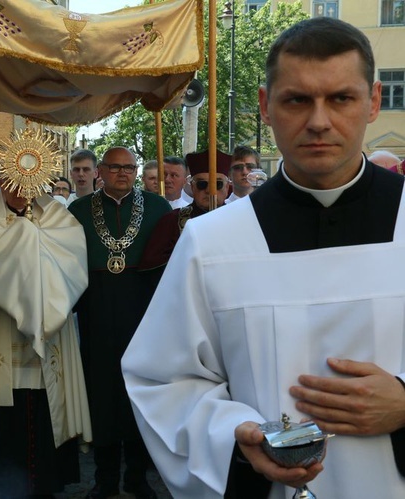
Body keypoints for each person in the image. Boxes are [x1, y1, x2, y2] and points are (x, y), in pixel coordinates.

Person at [122, 17, 405, 499]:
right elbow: (162, 382)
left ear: (374, 101)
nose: (319, 121)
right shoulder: (211, 242)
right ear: (265, 106)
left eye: (341, 98)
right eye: (297, 99)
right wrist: (233, 435)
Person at [0, 175, 93, 497]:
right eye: (11, 183)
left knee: (46, 414)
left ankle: (46, 486)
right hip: (0, 329)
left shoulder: (60, 220)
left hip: (50, 338)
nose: (19, 191)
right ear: (1, 183)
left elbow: (75, 274)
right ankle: (2, 487)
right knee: (5, 416)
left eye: (26, 184)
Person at [68, 146, 171, 499]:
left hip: (142, 312)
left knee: (138, 396)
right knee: (102, 397)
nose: (123, 173)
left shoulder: (158, 208)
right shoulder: (78, 210)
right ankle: (106, 478)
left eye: (129, 167)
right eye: (115, 167)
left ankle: (138, 478)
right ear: (101, 171)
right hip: (96, 310)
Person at [139, 150, 232, 285]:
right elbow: (152, 266)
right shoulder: (171, 220)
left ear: (227, 187)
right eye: (202, 184)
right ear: (192, 187)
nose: (209, 190)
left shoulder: (240, 219)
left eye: (217, 184)